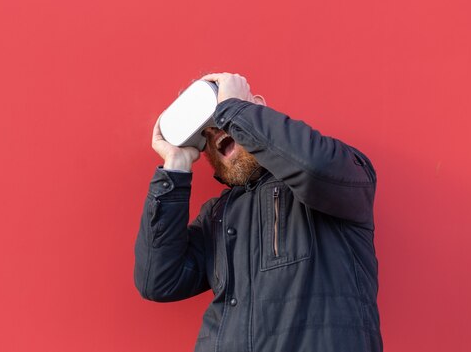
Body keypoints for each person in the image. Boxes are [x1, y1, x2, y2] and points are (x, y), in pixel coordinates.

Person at [134, 73, 383, 352]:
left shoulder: (342, 172)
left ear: (256, 107)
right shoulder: (217, 214)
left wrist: (234, 109)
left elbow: (316, 169)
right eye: (206, 133)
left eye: (221, 119)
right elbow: (158, 280)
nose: (216, 132)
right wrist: (175, 165)